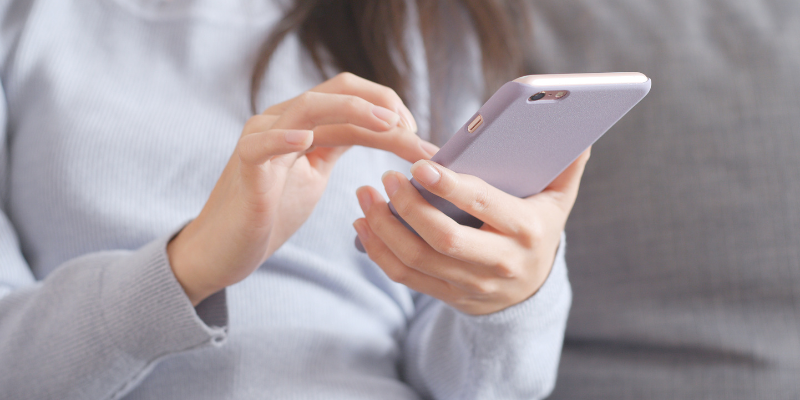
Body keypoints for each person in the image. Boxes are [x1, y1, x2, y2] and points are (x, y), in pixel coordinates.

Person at [0, 1, 588, 398]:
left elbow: (469, 387)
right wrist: (189, 266)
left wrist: (510, 304)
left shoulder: (423, 23)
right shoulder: (29, 22)